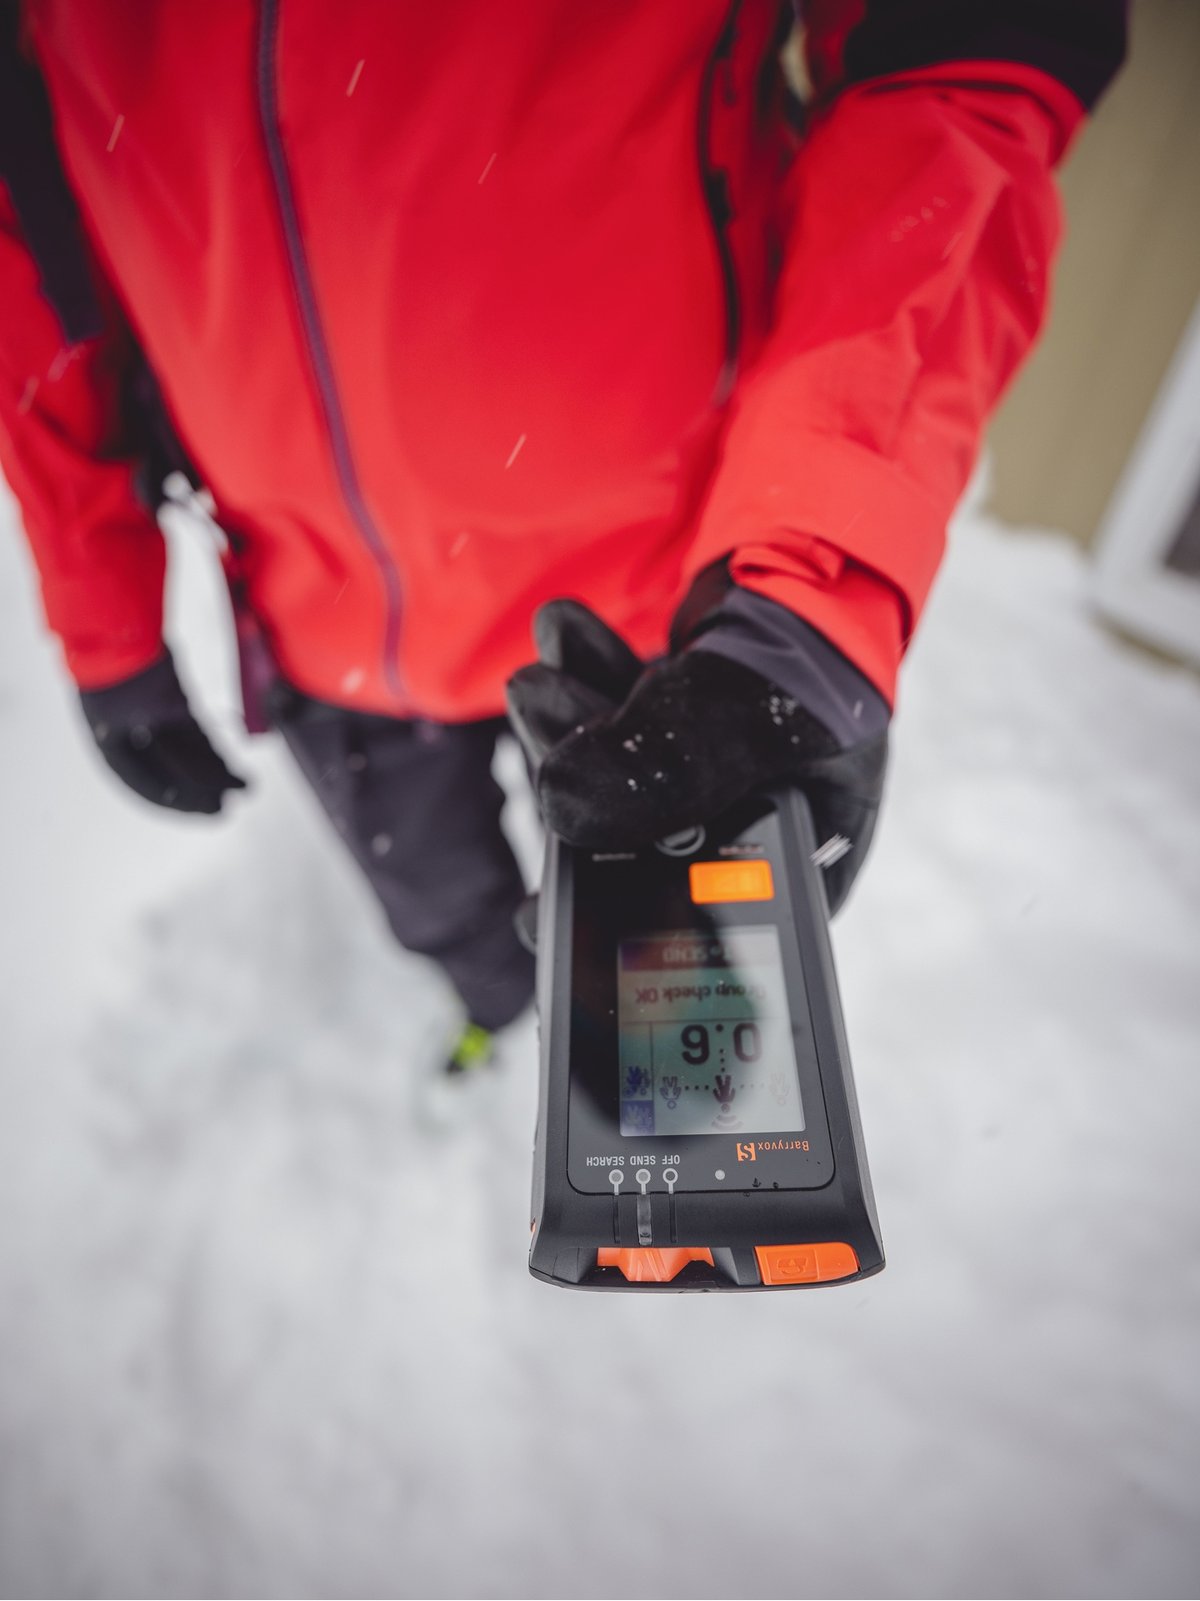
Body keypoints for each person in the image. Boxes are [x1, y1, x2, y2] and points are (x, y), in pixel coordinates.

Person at [0, 2, 1126, 1081]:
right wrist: (105, 623)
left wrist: (805, 598)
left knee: (658, 931)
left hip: (656, 610)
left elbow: (959, 67)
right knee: (437, 898)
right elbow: (27, 237)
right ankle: (501, 1008)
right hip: (328, 619)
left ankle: (664, 1085)